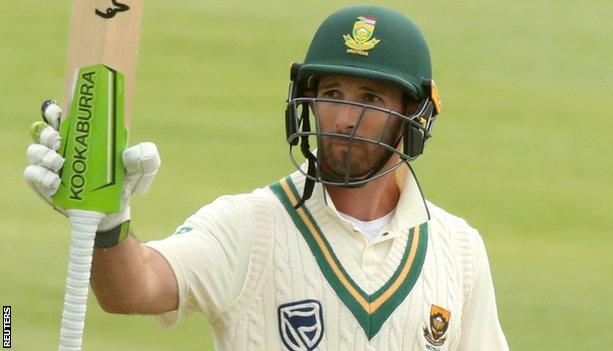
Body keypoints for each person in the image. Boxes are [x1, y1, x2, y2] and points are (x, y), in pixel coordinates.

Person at [25, 5, 509, 351]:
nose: (343, 118)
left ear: (414, 115)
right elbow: (132, 290)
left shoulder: (459, 251)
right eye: (333, 92)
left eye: (371, 100)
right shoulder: (249, 226)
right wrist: (109, 225)